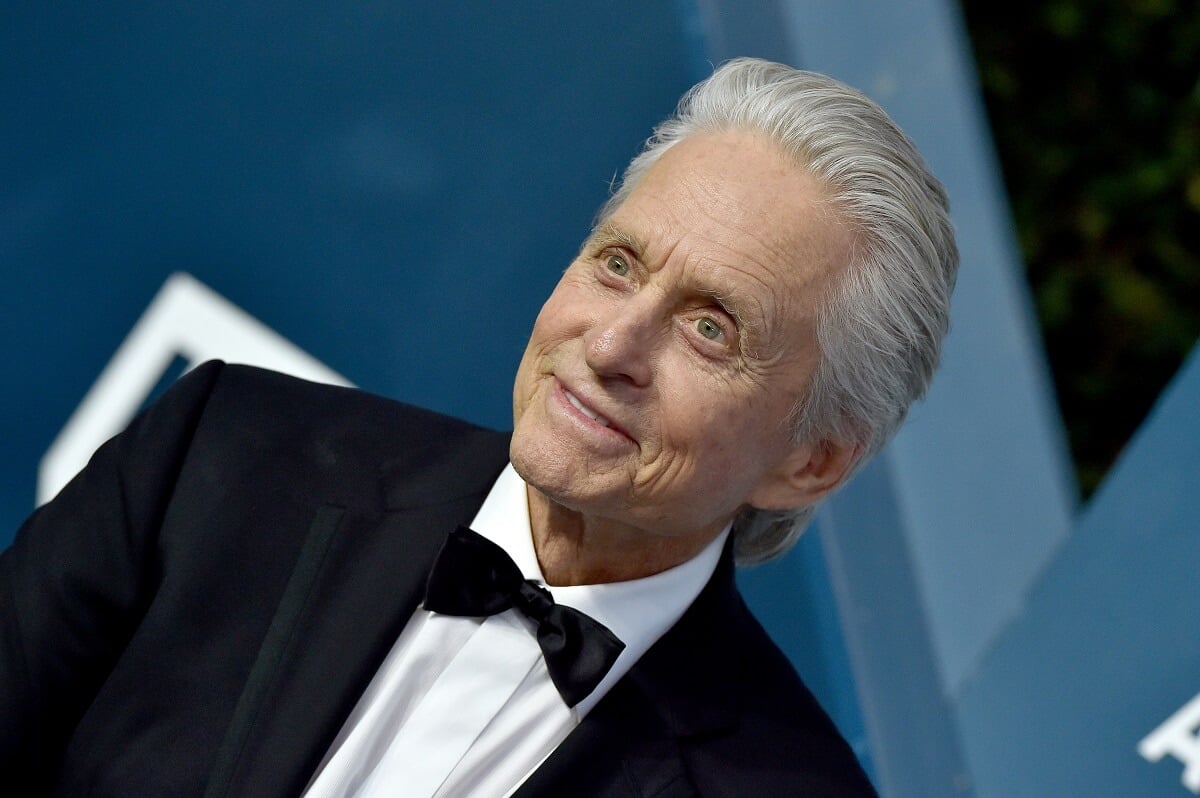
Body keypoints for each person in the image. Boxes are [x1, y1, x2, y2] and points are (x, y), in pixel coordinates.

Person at [0, 58, 956, 797]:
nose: (613, 343)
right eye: (617, 264)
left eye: (711, 328)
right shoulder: (226, 455)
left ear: (812, 459)